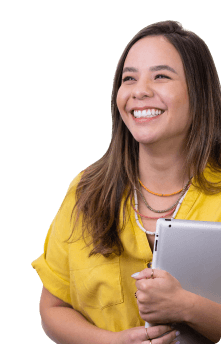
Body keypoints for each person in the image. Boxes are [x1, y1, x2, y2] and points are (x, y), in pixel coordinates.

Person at [31, 20, 221, 344]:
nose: (139, 91)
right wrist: (113, 343)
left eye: (160, 76)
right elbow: (52, 305)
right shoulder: (85, 192)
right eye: (128, 78)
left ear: (198, 92)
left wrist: (187, 306)